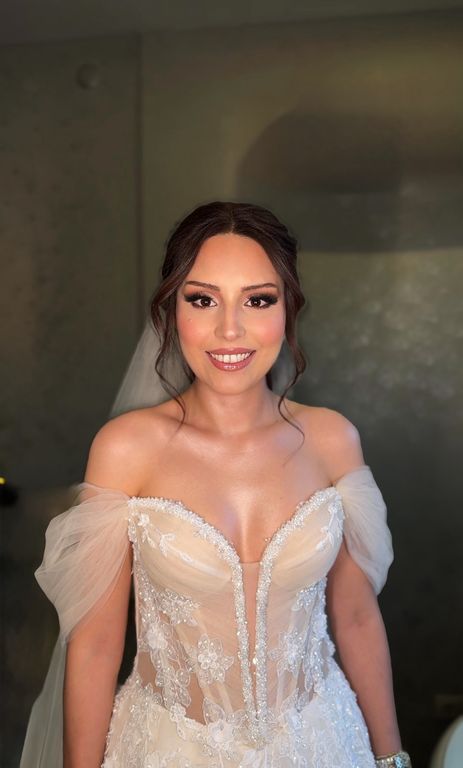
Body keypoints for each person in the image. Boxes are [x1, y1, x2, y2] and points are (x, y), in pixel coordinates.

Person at [20, 201, 411, 768]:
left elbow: (355, 617)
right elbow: (96, 644)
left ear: (288, 309)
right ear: (171, 309)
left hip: (323, 741)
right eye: (203, 299)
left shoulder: (332, 440)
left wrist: (392, 758)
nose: (230, 329)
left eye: (258, 300)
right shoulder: (126, 449)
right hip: (170, 750)